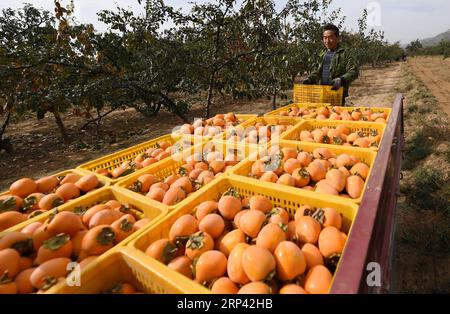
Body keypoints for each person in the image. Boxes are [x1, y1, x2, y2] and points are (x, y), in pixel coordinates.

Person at [300, 24, 359, 105]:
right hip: (322, 93)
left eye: (330, 37)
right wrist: (310, 79)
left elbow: (354, 71)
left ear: (338, 38)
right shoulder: (322, 54)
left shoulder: (346, 53)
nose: (327, 41)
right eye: (325, 38)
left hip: (336, 94)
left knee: (335, 116)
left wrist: (342, 79)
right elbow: (317, 71)